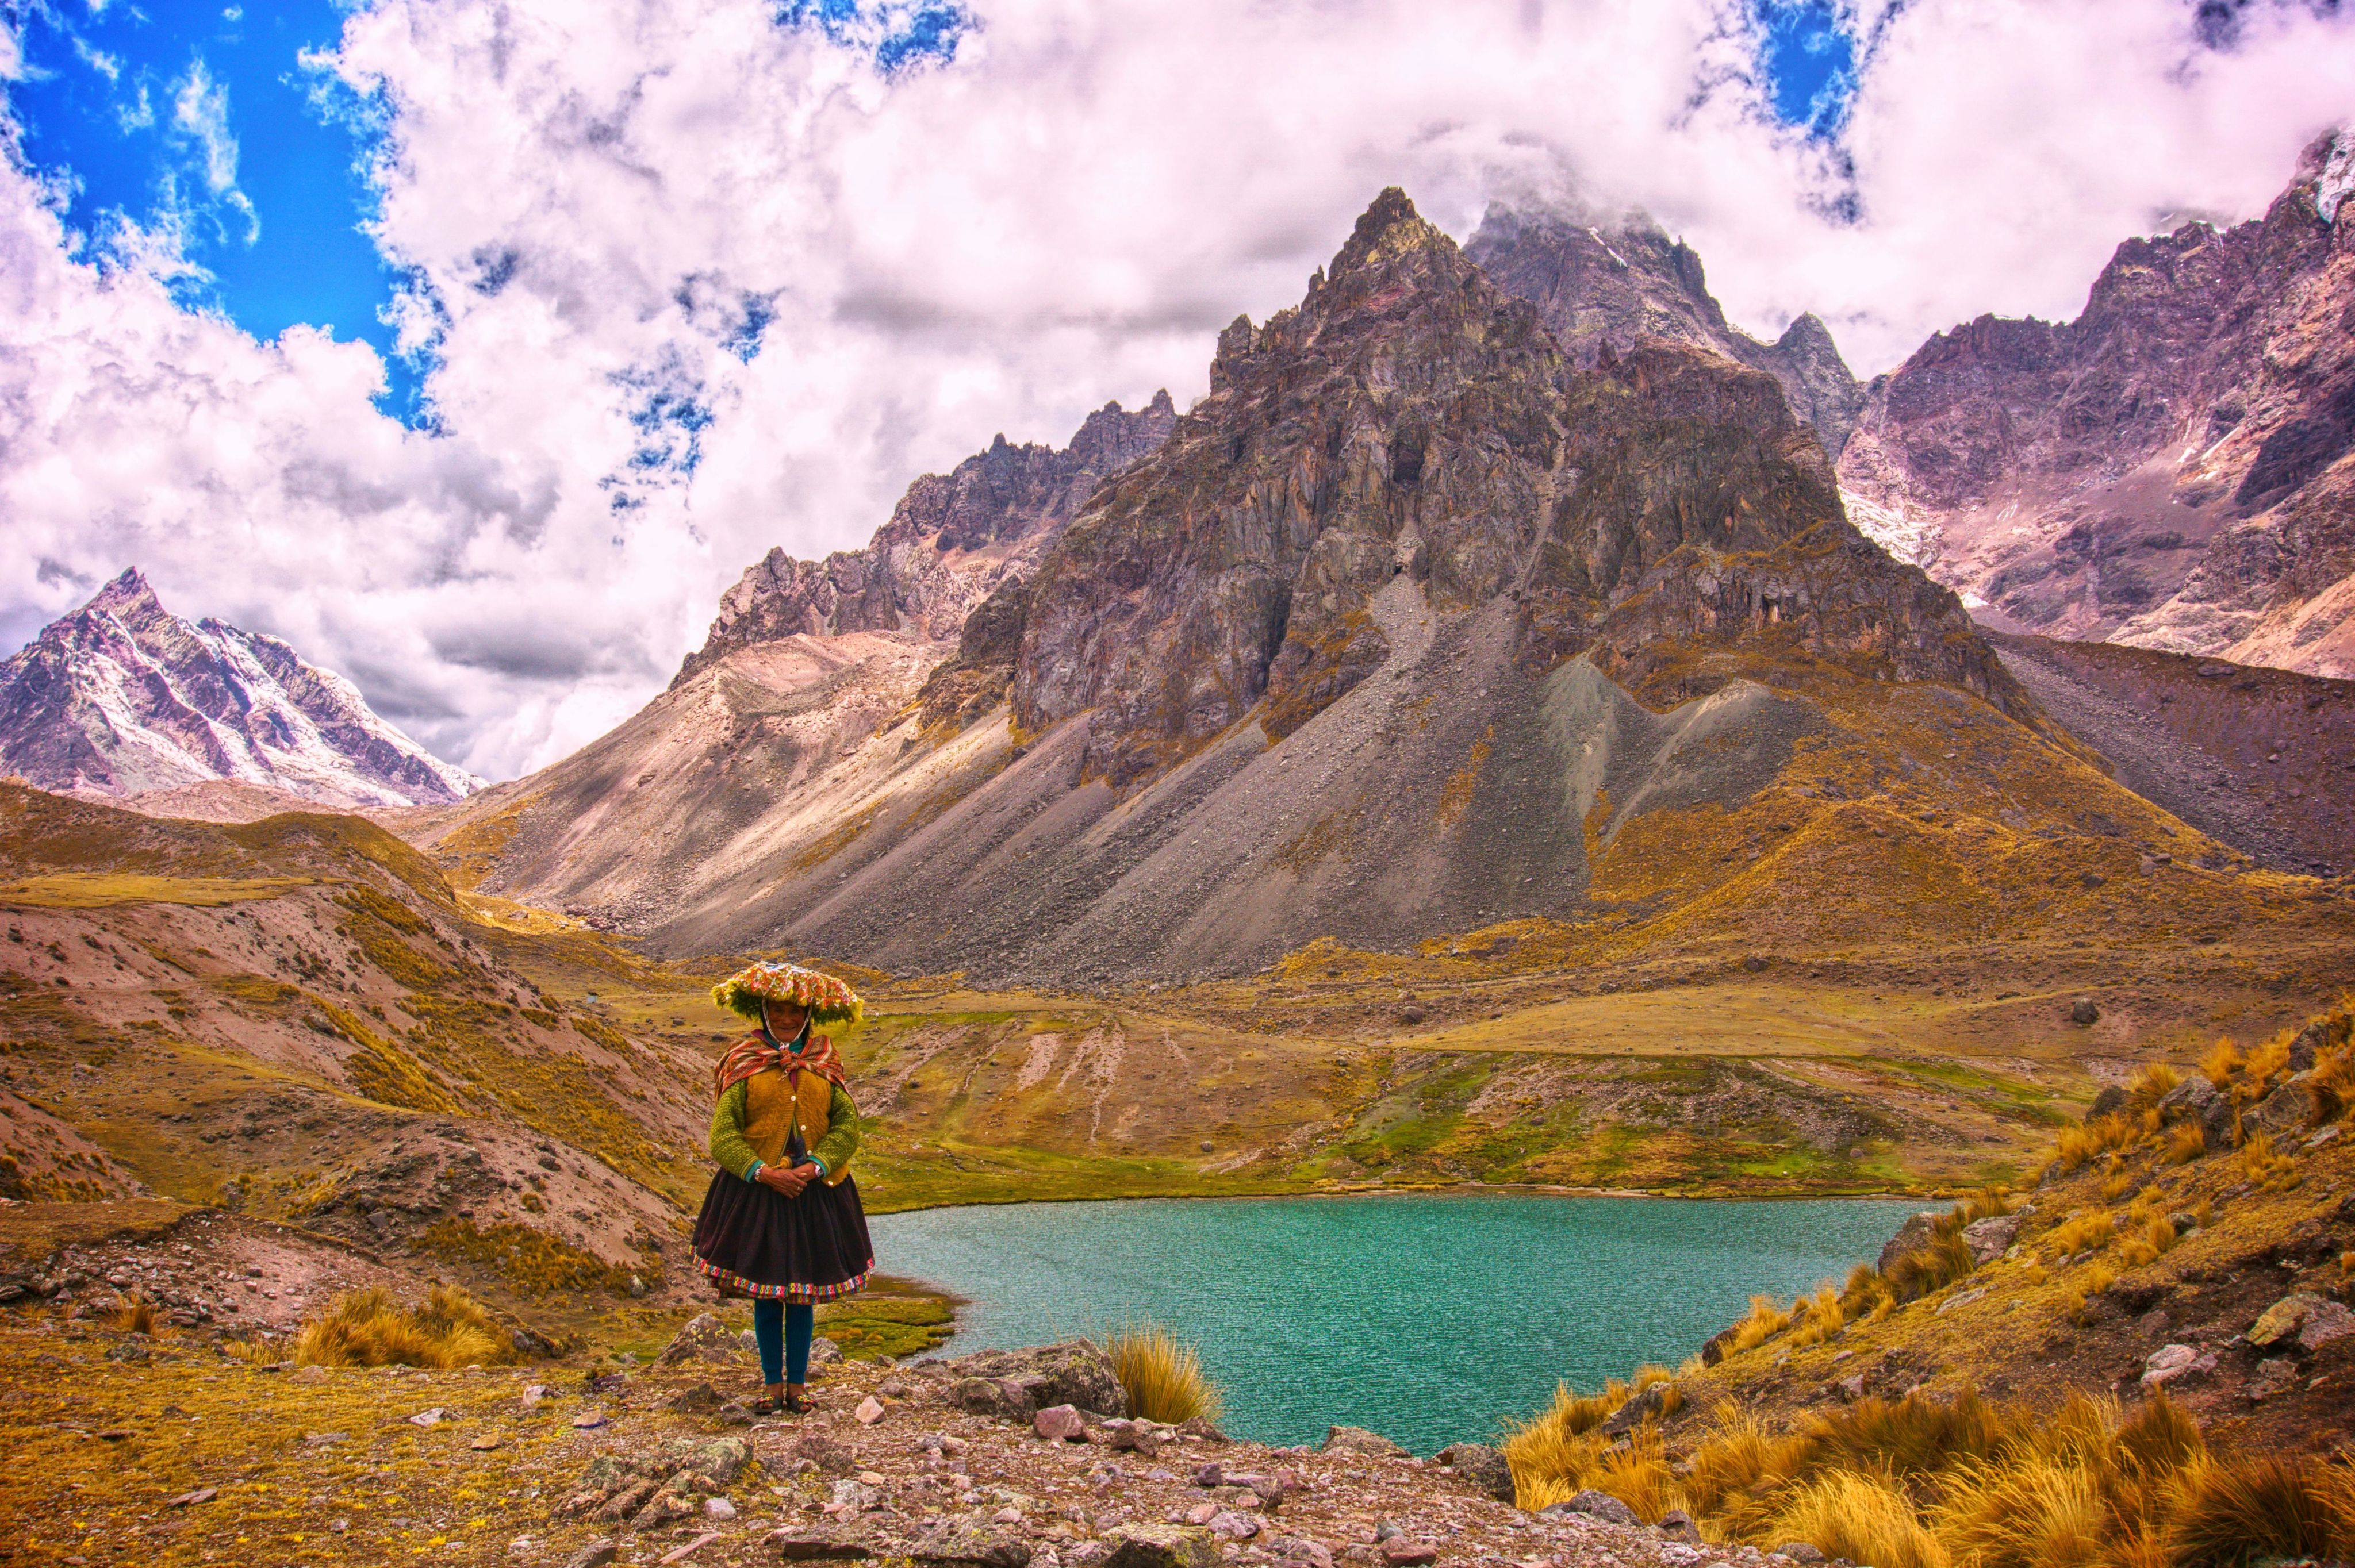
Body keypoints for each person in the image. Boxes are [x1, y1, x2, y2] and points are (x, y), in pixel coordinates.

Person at [692, 960, 875, 1414]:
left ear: (809, 1013)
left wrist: (814, 1166)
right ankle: (773, 1386)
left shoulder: (824, 1061)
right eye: (779, 1009)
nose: (788, 1018)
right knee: (769, 1294)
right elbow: (723, 1136)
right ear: (764, 1010)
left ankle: (799, 1386)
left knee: (803, 1295)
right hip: (759, 1195)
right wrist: (765, 1172)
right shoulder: (744, 1062)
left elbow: (847, 1127)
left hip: (816, 1193)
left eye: (796, 1010)